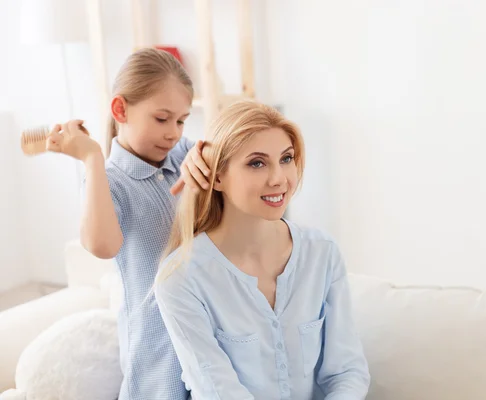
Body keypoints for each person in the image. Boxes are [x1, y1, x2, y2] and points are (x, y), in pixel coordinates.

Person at [154, 100, 370, 399]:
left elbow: (346, 372)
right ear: (217, 177)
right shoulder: (181, 278)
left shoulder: (322, 253)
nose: (279, 179)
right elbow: (217, 390)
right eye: (257, 163)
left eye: (286, 158)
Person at [46, 48, 211, 400]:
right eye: (162, 118)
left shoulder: (182, 153)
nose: (173, 132)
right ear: (120, 110)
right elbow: (101, 246)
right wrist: (91, 157)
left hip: (205, 327)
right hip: (156, 346)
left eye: (181, 120)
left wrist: (208, 152)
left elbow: (226, 152)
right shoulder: (110, 181)